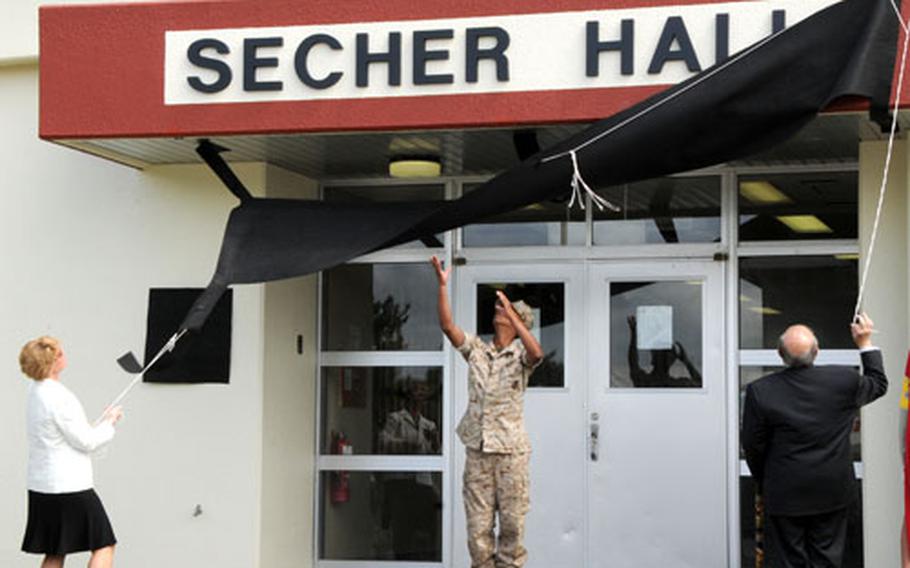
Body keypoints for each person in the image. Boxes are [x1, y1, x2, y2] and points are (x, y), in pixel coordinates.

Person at [742, 314, 887, 568]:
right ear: (817, 352)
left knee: (787, 562)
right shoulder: (842, 381)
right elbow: (878, 383)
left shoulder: (761, 391)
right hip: (832, 491)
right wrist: (864, 342)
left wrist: (766, 479)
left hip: (784, 493)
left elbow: (753, 445)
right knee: (827, 560)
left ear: (780, 354)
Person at [431, 256, 543, 568]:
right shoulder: (478, 350)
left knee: (512, 529)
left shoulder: (521, 356)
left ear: (514, 320)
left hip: (511, 455)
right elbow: (447, 326)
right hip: (478, 453)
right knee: (478, 534)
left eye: (504, 310)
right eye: (499, 308)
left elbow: (537, 353)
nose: (497, 310)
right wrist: (442, 286)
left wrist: (514, 315)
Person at [19, 336, 123, 568]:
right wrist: (110, 422)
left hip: (42, 485)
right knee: (104, 545)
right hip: (68, 486)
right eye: (60, 354)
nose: (64, 355)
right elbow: (86, 442)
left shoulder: (35, 391)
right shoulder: (60, 397)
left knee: (55, 551)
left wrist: (97, 426)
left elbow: (62, 434)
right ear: (52, 362)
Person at [627, 315, 701, 388]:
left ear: (652, 360)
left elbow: (633, 363)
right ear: (671, 361)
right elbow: (700, 383)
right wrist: (686, 361)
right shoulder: (679, 385)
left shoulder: (643, 382)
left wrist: (634, 331)